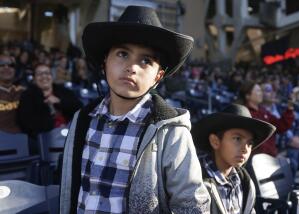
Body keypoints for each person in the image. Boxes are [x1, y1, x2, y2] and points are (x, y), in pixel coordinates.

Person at [59, 6, 210, 214]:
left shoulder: (170, 132)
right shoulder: (83, 119)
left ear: (158, 76)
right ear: (105, 61)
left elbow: (191, 204)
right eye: (122, 54)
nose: (132, 67)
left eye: (146, 61)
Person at [191, 104, 276, 214]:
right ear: (215, 141)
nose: (245, 149)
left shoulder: (244, 181)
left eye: (249, 143)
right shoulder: (194, 183)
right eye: (237, 139)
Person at [17, 63, 83, 138]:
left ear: (52, 76)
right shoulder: (27, 96)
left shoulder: (64, 91)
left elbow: (79, 108)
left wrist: (59, 101)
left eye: (47, 73)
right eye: (39, 74)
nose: (44, 76)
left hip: (70, 134)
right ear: (34, 79)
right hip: (44, 138)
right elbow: (25, 121)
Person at [238, 81, 294, 157]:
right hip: (256, 159)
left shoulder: (263, 111)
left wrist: (290, 108)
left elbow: (281, 126)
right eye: (258, 91)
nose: (261, 93)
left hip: (270, 157)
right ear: (248, 95)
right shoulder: (244, 113)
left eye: (261, 91)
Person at [0, 54, 25, 133]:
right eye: (2, 65)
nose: (6, 68)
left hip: (19, 139)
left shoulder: (22, 92)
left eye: (11, 65)